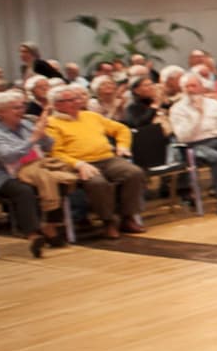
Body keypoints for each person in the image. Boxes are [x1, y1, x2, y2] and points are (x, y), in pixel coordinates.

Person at [44, 85, 146, 239]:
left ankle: (128, 217)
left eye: (76, 98)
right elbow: (55, 153)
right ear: (57, 104)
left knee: (134, 173)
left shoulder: (90, 116)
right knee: (98, 183)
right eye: (70, 100)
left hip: (107, 158)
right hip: (80, 163)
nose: (76, 102)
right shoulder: (52, 123)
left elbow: (121, 129)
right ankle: (108, 221)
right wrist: (78, 164)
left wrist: (122, 146)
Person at [0, 90, 72, 257]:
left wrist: (43, 135)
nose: (21, 110)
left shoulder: (26, 124)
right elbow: (8, 156)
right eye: (15, 108)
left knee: (58, 180)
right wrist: (32, 140)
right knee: (24, 191)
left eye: (21, 106)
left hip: (33, 169)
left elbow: (48, 147)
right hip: (6, 176)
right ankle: (33, 235)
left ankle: (50, 226)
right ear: (1, 112)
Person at [168, 72, 217, 215]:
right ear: (182, 89)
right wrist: (198, 117)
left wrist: (210, 130)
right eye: (187, 86)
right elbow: (183, 136)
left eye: (194, 85)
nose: (191, 89)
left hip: (215, 139)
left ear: (201, 87)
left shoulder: (214, 104)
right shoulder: (177, 109)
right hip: (192, 146)